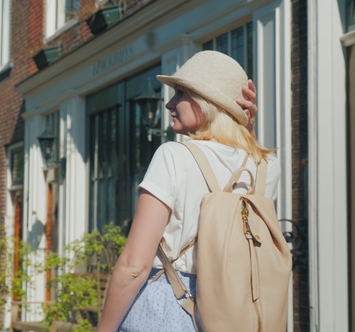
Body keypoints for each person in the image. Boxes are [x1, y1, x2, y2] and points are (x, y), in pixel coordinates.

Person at [97, 51, 279, 332]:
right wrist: (246, 129)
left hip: (170, 306)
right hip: (235, 311)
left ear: (209, 103)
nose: (170, 103)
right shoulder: (268, 167)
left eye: (181, 93)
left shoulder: (173, 155)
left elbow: (135, 265)